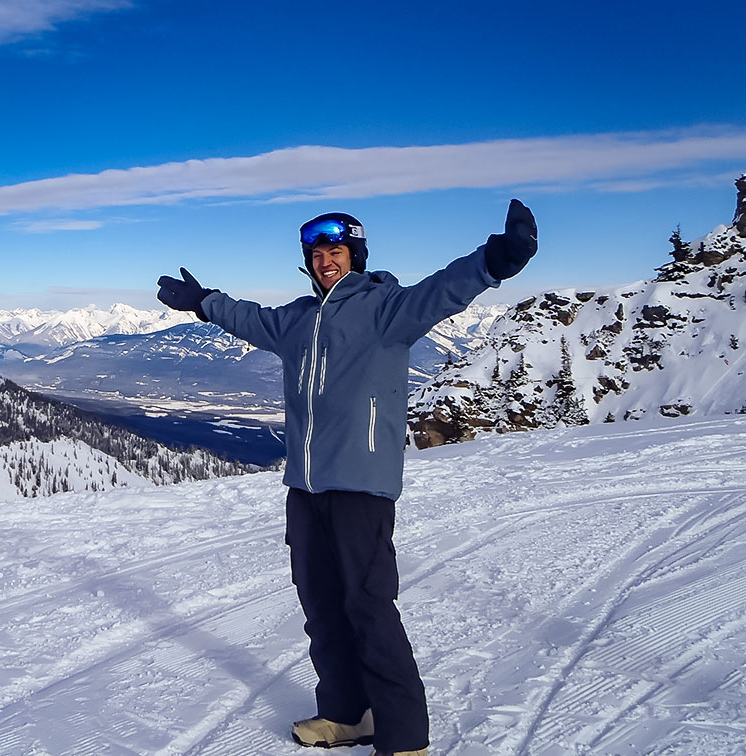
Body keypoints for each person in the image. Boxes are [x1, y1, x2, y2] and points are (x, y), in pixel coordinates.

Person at [156, 201, 537, 756]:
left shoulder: (386, 309)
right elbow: (249, 317)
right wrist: (204, 302)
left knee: (369, 608)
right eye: (316, 254)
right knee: (321, 607)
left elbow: (443, 289)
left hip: (362, 485)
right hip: (306, 488)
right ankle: (346, 713)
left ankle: (404, 737)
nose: (325, 260)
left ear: (354, 256)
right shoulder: (296, 319)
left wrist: (496, 260)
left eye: (335, 251)